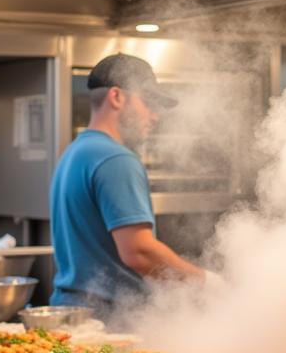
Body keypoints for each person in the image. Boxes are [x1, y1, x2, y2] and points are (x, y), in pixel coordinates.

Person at [49, 53, 206, 318]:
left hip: (72, 313)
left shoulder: (76, 151)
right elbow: (139, 252)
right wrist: (205, 282)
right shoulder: (116, 159)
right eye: (148, 102)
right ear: (117, 97)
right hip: (110, 321)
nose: (155, 116)